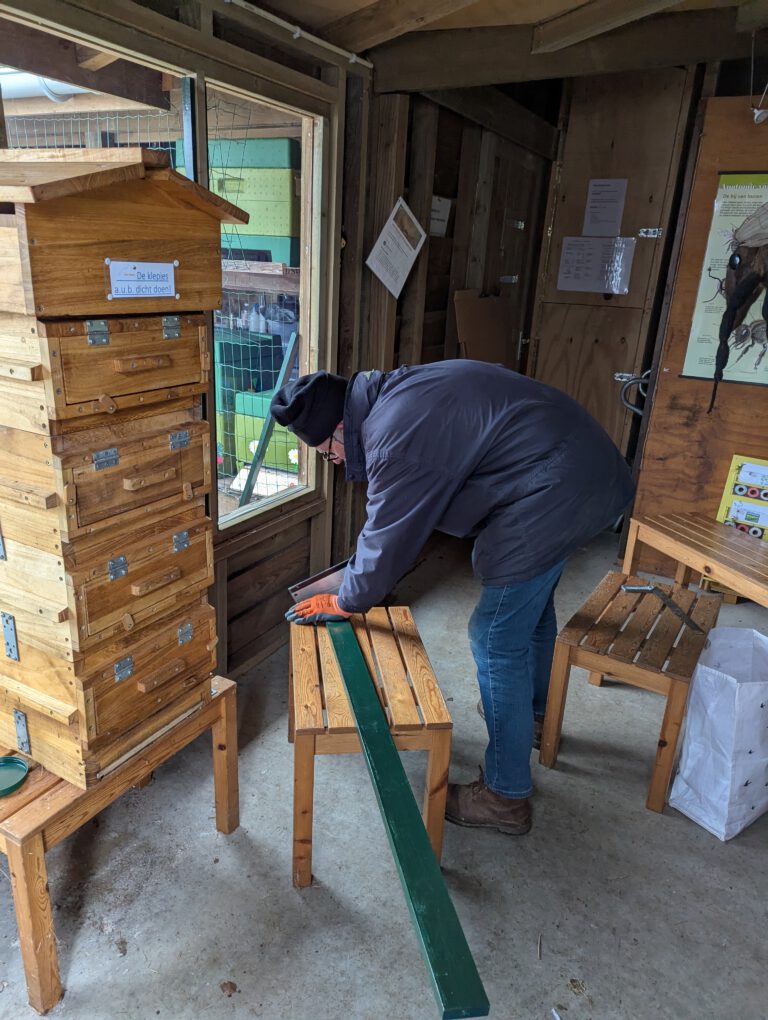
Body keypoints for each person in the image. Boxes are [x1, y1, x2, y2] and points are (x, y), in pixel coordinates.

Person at [270, 361, 634, 835]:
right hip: (585, 472)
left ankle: (505, 797)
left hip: (555, 488)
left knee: (495, 638)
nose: (333, 461)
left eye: (327, 451)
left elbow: (388, 539)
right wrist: (355, 576)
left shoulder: (394, 436)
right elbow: (391, 521)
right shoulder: (397, 393)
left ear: (341, 426)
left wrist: (347, 600)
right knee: (532, 608)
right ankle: (535, 716)